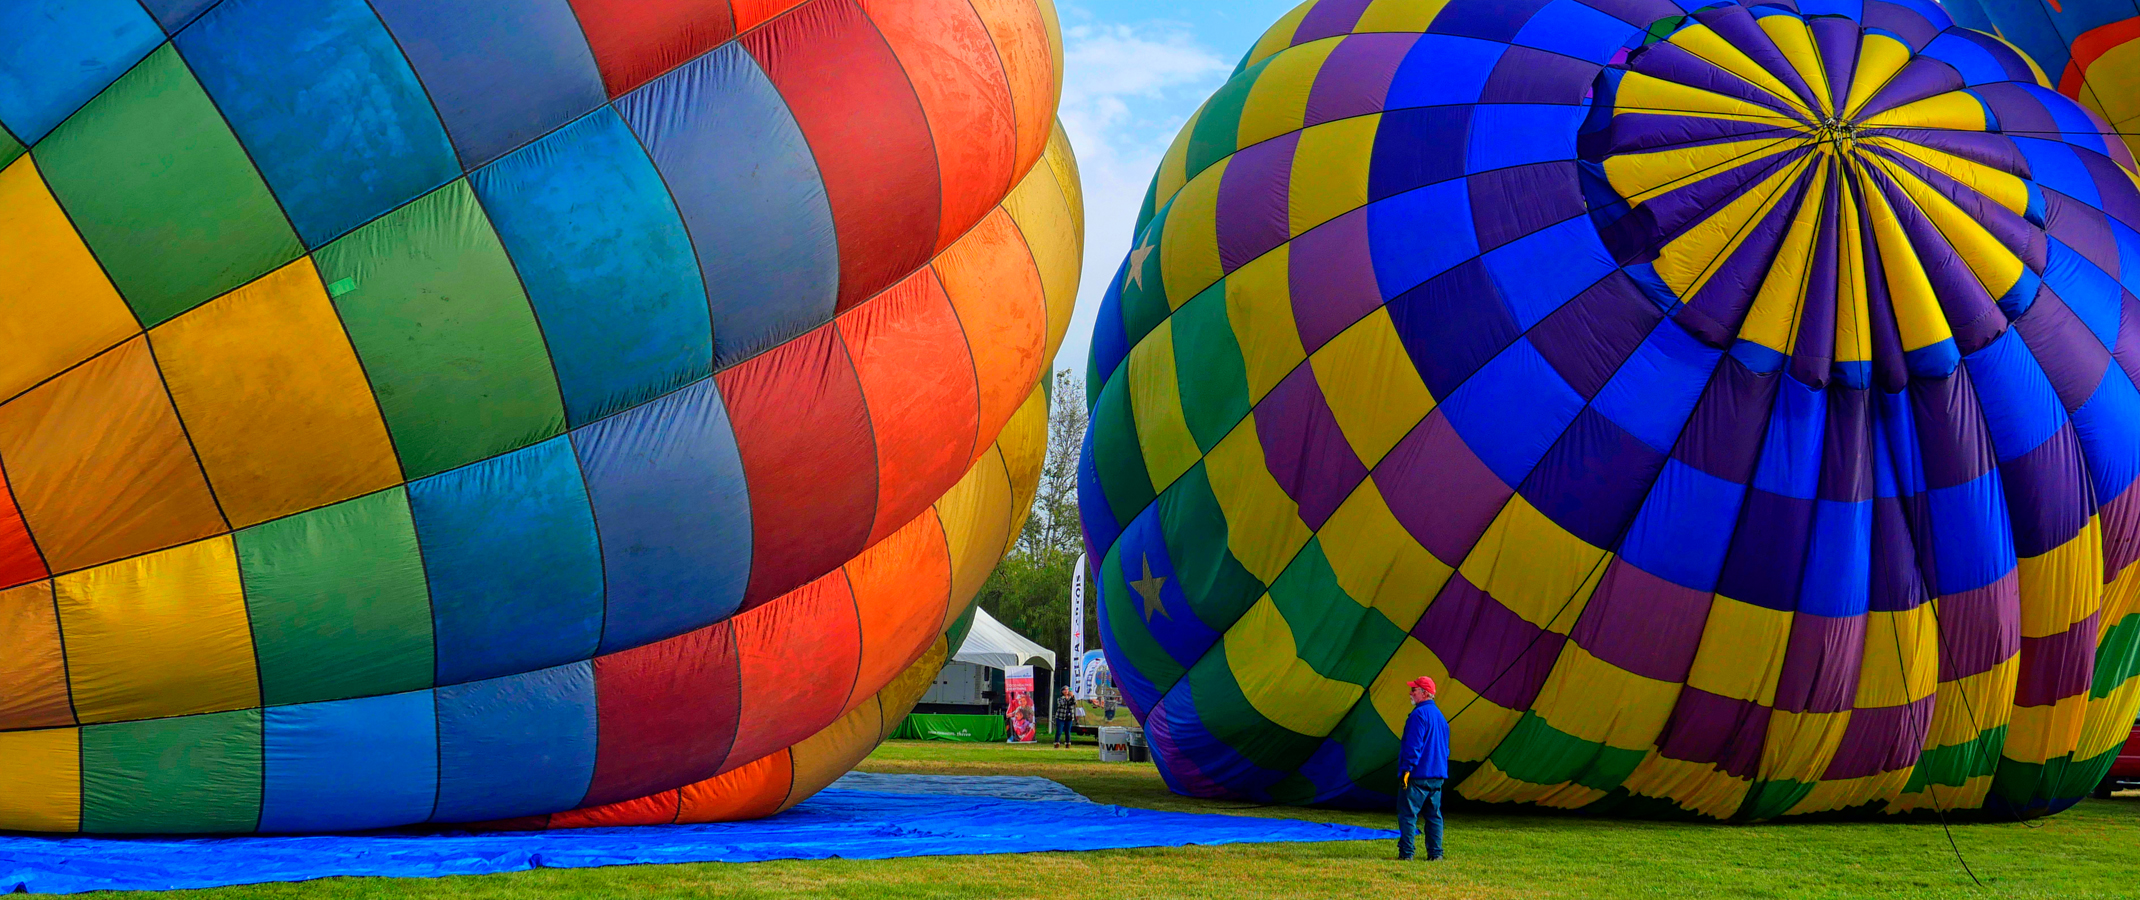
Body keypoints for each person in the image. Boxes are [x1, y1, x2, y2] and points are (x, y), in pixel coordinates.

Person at [1397, 675, 1450, 862]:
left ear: (1425, 693)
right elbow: (1445, 749)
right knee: (1434, 816)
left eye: (1414, 690)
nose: (1410, 693)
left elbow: (1413, 746)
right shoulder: (1441, 718)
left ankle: (1406, 853)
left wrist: (1406, 770)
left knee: (1408, 814)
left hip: (1418, 775)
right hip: (1437, 775)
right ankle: (1436, 854)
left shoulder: (1418, 715)